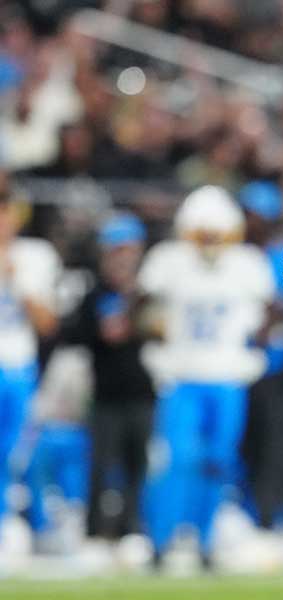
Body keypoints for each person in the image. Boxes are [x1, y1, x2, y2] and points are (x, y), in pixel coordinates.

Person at [138, 185, 275, 568]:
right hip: (183, 375)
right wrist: (154, 326)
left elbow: (270, 313)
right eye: (204, 234)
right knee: (177, 458)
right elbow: (142, 309)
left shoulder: (248, 264)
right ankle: (160, 541)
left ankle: (205, 540)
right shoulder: (170, 261)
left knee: (218, 461)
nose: (210, 242)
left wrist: (259, 338)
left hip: (228, 376)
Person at [61, 213, 156, 540]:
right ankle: (94, 533)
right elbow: (70, 334)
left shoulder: (148, 290)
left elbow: (160, 332)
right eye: (117, 251)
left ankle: (132, 529)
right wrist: (100, 329)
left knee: (137, 466)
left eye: (128, 250)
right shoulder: (93, 291)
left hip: (143, 392)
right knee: (100, 467)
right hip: (105, 393)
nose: (123, 258)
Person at [0, 174, 60, 527]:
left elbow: (47, 325)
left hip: (18, 366)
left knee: (15, 452)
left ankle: (10, 522)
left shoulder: (36, 255)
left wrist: (15, 280)